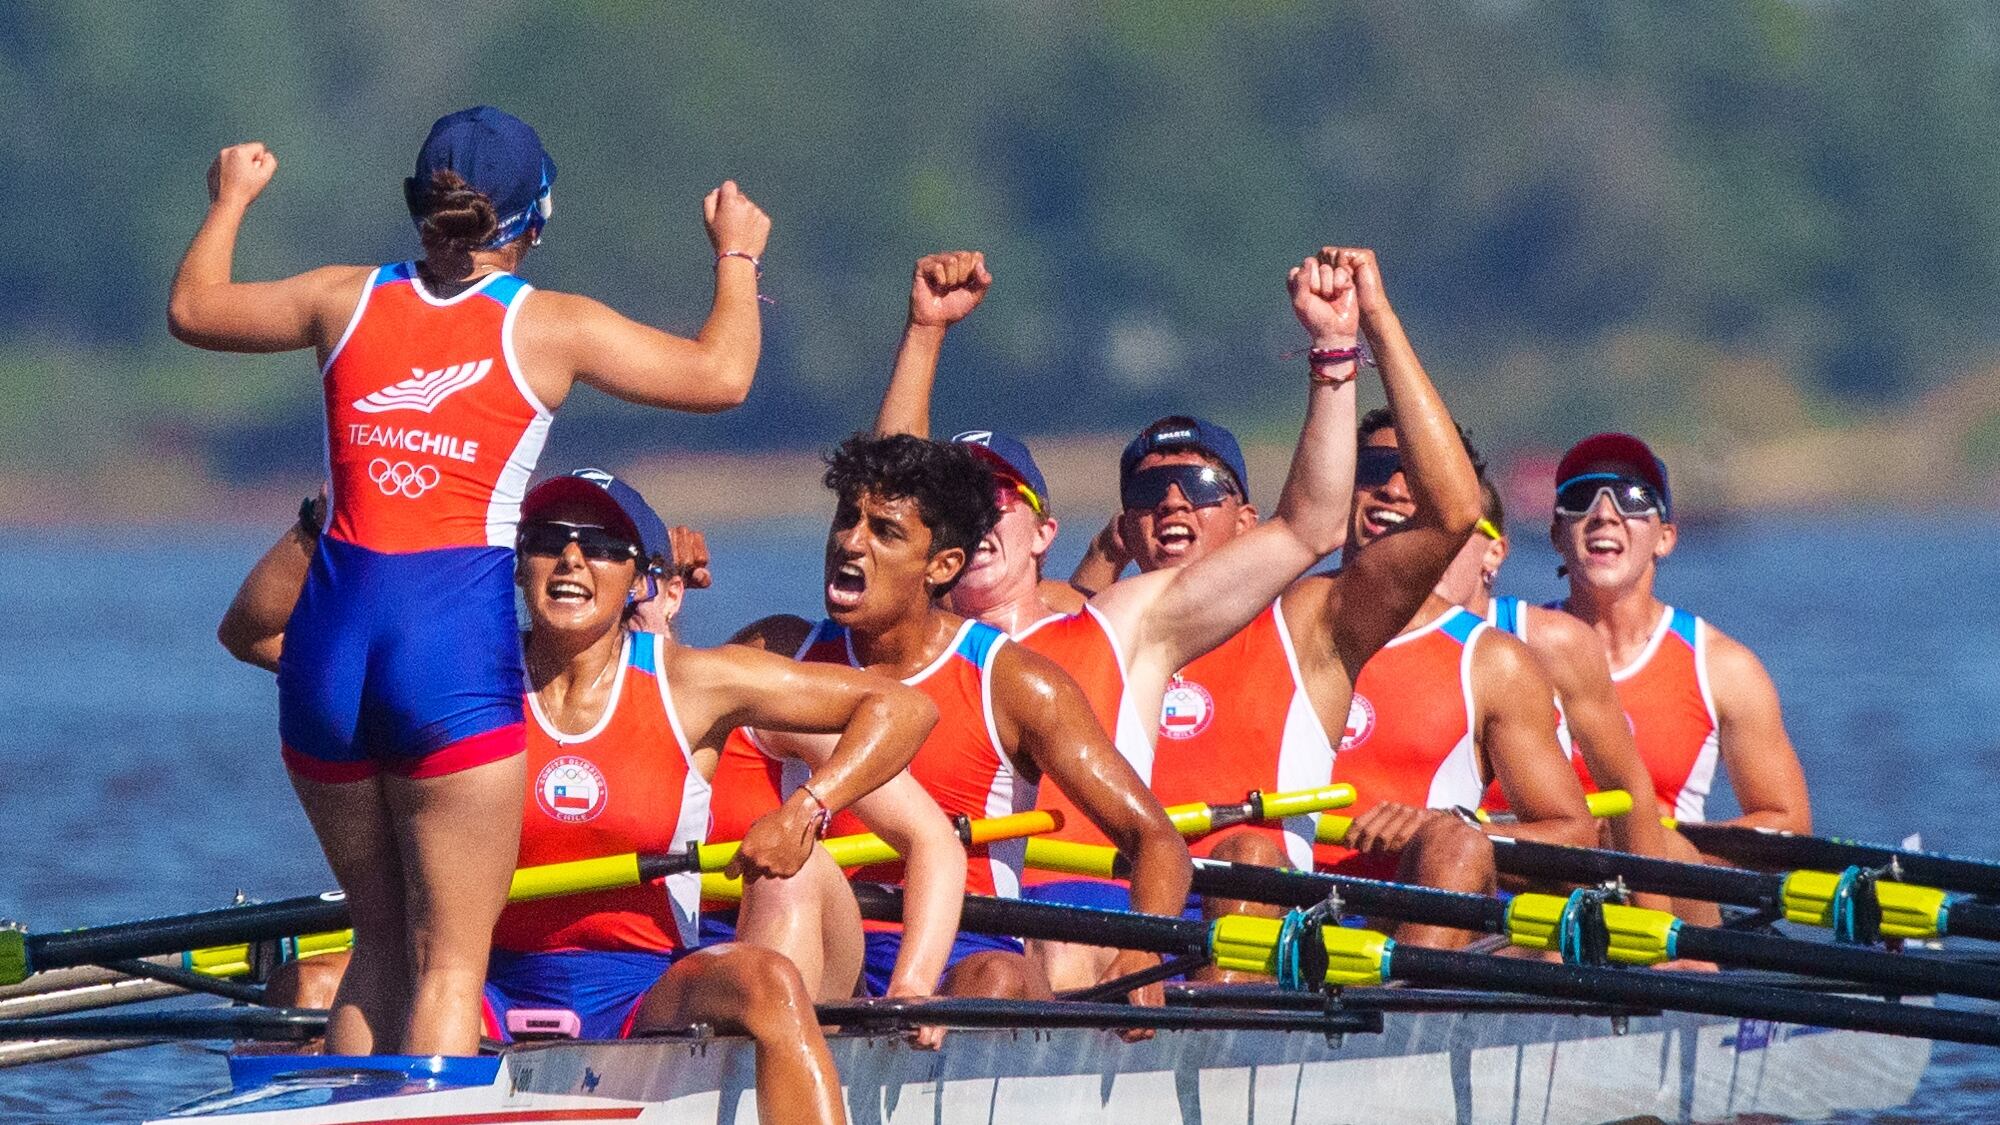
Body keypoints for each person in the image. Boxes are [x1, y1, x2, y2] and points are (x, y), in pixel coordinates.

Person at [172, 106, 771, 1054]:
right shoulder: (549, 325)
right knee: (450, 958)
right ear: (534, 218)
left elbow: (195, 310)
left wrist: (229, 199)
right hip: (445, 646)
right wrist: (737, 255)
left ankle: (352, 1111)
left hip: (329, 646)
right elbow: (724, 374)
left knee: (376, 940)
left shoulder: (341, 297)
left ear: (420, 204)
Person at [230, 471, 940, 1125]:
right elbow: (255, 632)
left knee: (770, 983)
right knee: (309, 987)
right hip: (481, 981)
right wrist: (324, 520)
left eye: (601, 545)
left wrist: (807, 808)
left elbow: (901, 708)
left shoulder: (693, 684)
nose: (571, 559)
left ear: (640, 577)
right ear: (517, 565)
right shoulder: (455, 674)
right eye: (547, 542)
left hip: (643, 988)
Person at [868, 250, 1358, 988]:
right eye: (954, 502)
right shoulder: (895, 643)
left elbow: (1307, 529)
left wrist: (1333, 353)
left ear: (1043, 534)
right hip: (927, 914)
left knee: (1049, 956)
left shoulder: (1116, 626)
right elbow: (885, 492)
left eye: (997, 500)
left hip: (1081, 911)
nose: (974, 515)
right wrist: (924, 332)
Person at [1069, 249, 1488, 947]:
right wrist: (924, 332)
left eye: (1202, 488)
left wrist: (1371, 325)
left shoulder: (1309, 626)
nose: (1172, 501)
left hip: (1267, 932)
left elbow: (1450, 514)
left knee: (1272, 854)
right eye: (1148, 491)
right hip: (1120, 928)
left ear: (1248, 525)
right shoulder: (1082, 628)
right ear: (1126, 526)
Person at [726, 434, 1191, 1009]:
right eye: (848, 519)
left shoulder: (1015, 681)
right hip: (829, 932)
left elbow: (1155, 840)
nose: (850, 542)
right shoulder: (781, 650)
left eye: (884, 532)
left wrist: (1143, 951)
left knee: (997, 977)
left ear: (942, 565)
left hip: (967, 948)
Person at [1313, 417, 1597, 946]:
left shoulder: (1493, 662)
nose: (1394, 488)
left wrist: (1445, 827)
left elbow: (1576, 843)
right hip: (1274, 910)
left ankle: (1413, 1016)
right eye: (1374, 469)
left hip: (1405, 921)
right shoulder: (1270, 622)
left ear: (1449, 501)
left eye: (1416, 476)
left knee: (1454, 848)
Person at [1548, 434, 1812, 840]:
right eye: (1581, 497)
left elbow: (1788, 825)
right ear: (1557, 536)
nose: (1604, 513)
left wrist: (1651, 841)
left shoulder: (1724, 669)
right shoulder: (1507, 650)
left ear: (1665, 538)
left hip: (1659, 893)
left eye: (1632, 498)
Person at [1435, 475, 1680, 907]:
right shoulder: (1342, 630)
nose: (1426, 544)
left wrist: (1653, 932)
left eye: (1449, 529)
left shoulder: (1552, 642)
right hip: (1396, 885)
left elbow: (1628, 791)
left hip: (1526, 892)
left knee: (1675, 848)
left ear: (1494, 551)